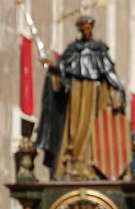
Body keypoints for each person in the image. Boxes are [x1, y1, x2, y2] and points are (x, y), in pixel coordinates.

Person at [35, 14, 126, 180]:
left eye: (88, 27)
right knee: (75, 129)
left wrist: (118, 90)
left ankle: (90, 165)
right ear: (80, 29)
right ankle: (74, 162)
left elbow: (110, 74)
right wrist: (52, 65)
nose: (86, 30)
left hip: (94, 94)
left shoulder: (99, 49)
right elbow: (62, 67)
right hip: (76, 93)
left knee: (92, 126)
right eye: (83, 28)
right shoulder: (73, 50)